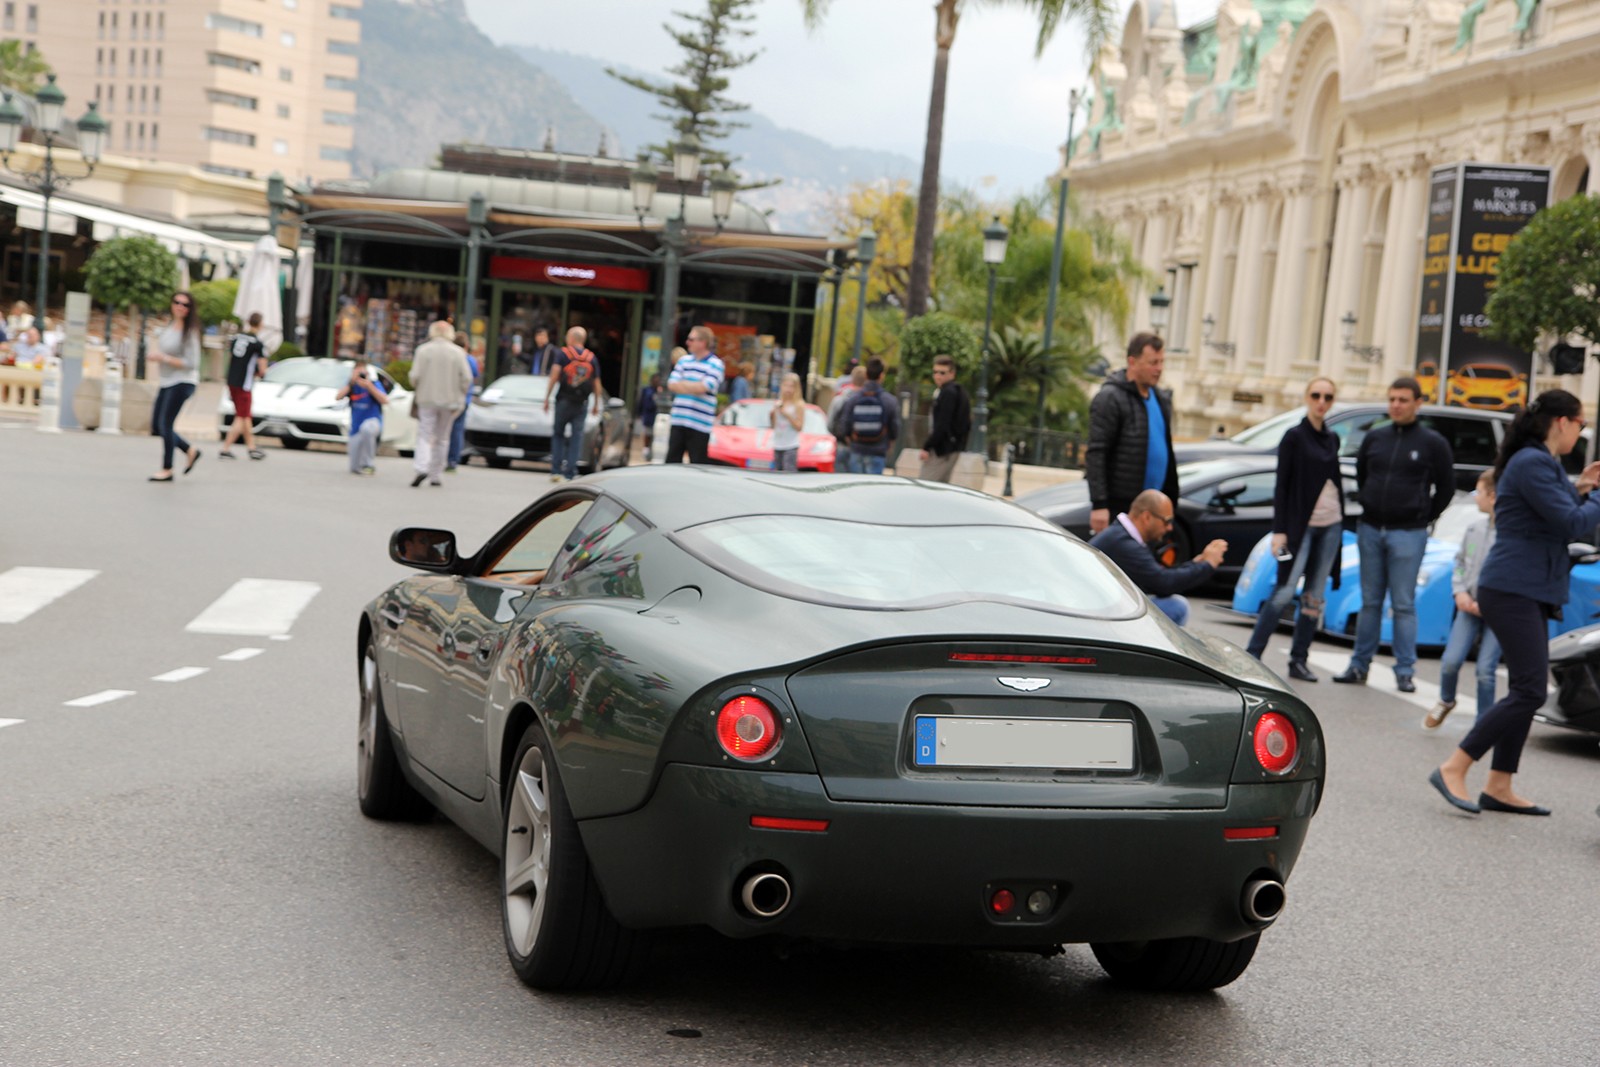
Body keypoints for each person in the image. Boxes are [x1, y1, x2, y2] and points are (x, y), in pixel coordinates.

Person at [1431, 390, 1600, 816]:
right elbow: (1571, 522)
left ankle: (1499, 784)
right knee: (1529, 690)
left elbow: (1552, 512)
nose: (1580, 432)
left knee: (1525, 687)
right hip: (1513, 588)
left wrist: (1582, 488)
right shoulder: (1532, 462)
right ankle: (1454, 766)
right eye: (1580, 424)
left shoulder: (1540, 462)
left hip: (1527, 587)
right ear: (1561, 422)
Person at [1333, 378, 1455, 690]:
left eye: (1403, 400)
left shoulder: (1432, 443)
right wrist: (1370, 503)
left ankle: (1404, 671)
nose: (1396, 405)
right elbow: (1363, 474)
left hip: (1409, 533)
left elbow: (1446, 487)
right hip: (1371, 529)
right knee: (1370, 602)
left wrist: (1423, 516)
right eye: (1392, 399)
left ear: (1418, 403)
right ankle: (1359, 666)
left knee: (1403, 604)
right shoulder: (1375, 437)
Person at [1244, 378, 1346, 682]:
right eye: (1316, 395)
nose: (1321, 401)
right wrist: (1280, 531)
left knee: (1314, 596)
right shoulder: (1294, 437)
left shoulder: (1332, 438)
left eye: (1328, 397)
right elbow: (1282, 485)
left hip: (1331, 525)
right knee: (1284, 590)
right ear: (1306, 397)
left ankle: (1299, 660)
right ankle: (1252, 656)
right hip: (1299, 527)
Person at [1425, 470, 1502, 729]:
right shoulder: (1474, 529)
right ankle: (1446, 700)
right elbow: (1459, 564)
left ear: (1493, 496)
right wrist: (1460, 591)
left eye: (1479, 492)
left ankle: (1483, 724)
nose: (1475, 497)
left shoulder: (1509, 535)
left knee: (1485, 671)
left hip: (1497, 612)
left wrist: (1489, 603)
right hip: (1468, 606)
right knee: (1450, 662)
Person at [1088, 489, 1227, 626]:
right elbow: (1163, 583)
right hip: (1097, 614)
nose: (1170, 528)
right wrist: (1207, 564)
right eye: (1167, 521)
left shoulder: (1121, 535)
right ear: (1147, 517)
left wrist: (1196, 564)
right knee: (1177, 606)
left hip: (1100, 606)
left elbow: (1156, 575)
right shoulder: (1125, 544)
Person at [1086, 333, 1179, 534]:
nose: (1159, 368)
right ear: (1132, 362)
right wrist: (1099, 504)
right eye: (1153, 362)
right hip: (1121, 507)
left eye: (1161, 362)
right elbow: (1096, 452)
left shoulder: (1161, 399)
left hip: (1153, 510)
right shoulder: (1110, 398)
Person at [146, 291, 202, 483]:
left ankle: (167, 468)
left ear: (190, 309)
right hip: (166, 381)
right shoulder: (169, 327)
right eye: (177, 302)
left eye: (185, 304)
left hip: (182, 382)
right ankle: (190, 450)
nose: (180, 306)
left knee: (166, 424)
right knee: (157, 425)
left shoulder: (190, 333)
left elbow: (192, 363)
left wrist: (163, 358)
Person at [408, 320, 472, 488]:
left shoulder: (423, 350)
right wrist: (460, 394)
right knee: (442, 437)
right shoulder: (458, 352)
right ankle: (435, 474)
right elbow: (467, 378)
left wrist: (420, 386)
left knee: (424, 434)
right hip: (450, 401)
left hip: (427, 399)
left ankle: (421, 467)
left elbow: (414, 377)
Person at [543, 326, 603, 481]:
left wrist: (547, 397)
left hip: (564, 400)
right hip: (581, 403)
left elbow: (554, 375)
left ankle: (556, 470)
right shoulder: (591, 358)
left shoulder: (563, 354)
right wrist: (596, 403)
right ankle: (570, 472)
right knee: (577, 436)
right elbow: (597, 383)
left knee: (558, 434)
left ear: (571, 338)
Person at [665, 325, 725, 464]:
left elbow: (705, 387)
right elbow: (671, 384)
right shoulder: (684, 361)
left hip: (700, 424)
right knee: (671, 462)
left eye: (691, 339)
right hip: (679, 420)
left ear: (702, 342)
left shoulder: (716, 364)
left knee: (697, 464)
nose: (687, 342)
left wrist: (683, 385)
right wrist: (696, 386)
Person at [219, 312, 270, 460]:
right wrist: (262, 373)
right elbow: (262, 368)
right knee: (241, 417)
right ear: (260, 324)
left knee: (246, 416)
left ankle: (251, 447)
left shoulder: (236, 338)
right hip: (244, 384)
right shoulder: (257, 343)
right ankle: (225, 448)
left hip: (232, 381)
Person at [837, 357, 900, 475]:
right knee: (873, 485)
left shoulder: (853, 399)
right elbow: (894, 428)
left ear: (866, 374)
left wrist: (851, 442)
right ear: (881, 376)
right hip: (877, 451)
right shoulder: (889, 400)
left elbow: (845, 425)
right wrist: (889, 444)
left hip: (857, 449)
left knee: (856, 484)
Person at [918, 355, 970, 483]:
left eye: (942, 373)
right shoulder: (957, 391)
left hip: (942, 449)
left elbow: (942, 424)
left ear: (952, 373)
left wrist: (927, 446)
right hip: (950, 447)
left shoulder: (949, 393)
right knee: (941, 487)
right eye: (935, 372)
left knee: (926, 485)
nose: (937, 376)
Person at [336, 361, 387, 476]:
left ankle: (369, 464)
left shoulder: (374, 384)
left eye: (363, 373)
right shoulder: (351, 385)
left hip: (372, 421)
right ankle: (360, 465)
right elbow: (338, 397)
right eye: (358, 373)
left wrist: (369, 386)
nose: (361, 376)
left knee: (367, 429)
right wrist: (351, 383)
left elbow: (384, 400)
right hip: (356, 427)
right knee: (354, 468)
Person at [446, 331, 482, 473]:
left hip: (449, 398)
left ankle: (443, 458)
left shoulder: (451, 357)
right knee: (457, 430)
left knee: (444, 429)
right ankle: (453, 460)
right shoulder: (469, 359)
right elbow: (474, 375)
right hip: (463, 399)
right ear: (466, 345)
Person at [770, 372, 805, 472]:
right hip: (777, 444)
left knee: (788, 473)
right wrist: (772, 415)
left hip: (790, 446)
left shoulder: (798, 405)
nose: (788, 389)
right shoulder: (778, 403)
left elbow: (799, 427)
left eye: (791, 386)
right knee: (777, 474)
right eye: (786, 385)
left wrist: (787, 415)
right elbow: (773, 426)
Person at [828, 364, 867, 443]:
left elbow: (830, 424)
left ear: (852, 380)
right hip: (863, 444)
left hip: (842, 442)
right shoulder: (869, 401)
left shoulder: (840, 399)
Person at [637, 374, 662, 458]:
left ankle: (650, 451)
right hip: (648, 416)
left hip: (656, 417)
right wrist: (639, 413)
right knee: (648, 434)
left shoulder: (658, 391)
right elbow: (641, 402)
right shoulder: (647, 390)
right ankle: (646, 450)